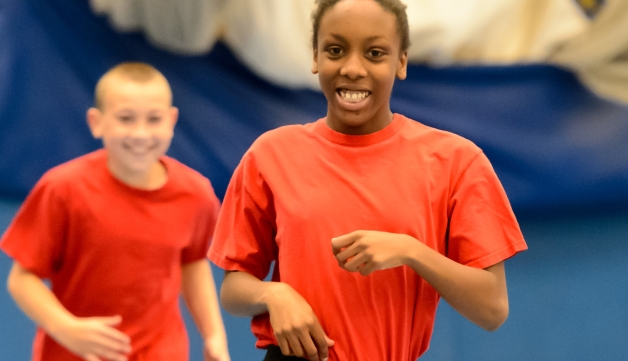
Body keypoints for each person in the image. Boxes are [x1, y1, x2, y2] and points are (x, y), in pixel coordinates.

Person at [208, 0, 527, 360]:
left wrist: (411, 251)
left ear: (401, 62)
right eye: (335, 50)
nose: (352, 68)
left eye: (375, 53)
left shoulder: (456, 161)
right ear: (315, 57)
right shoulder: (270, 154)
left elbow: (492, 309)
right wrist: (273, 295)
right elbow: (234, 289)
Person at [1, 62, 230, 361]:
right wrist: (66, 328)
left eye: (154, 119)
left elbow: (193, 263)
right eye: (125, 118)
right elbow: (21, 279)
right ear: (97, 122)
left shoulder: (196, 194)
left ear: (172, 121)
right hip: (72, 354)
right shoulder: (62, 189)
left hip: (161, 352)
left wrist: (214, 336)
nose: (140, 133)